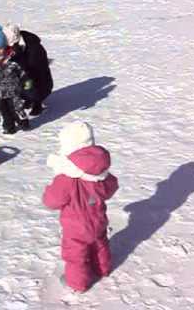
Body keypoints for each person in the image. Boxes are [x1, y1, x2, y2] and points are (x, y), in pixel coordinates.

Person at [43, 121, 119, 292]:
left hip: (75, 228)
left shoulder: (67, 178)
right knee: (100, 244)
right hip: (98, 220)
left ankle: (78, 284)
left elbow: (52, 200)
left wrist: (48, 191)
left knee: (75, 255)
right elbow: (112, 187)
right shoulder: (100, 172)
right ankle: (103, 269)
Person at [3, 24, 53, 116]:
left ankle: (37, 103)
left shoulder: (34, 48)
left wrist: (18, 57)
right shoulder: (11, 46)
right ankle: (28, 99)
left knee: (31, 84)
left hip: (39, 81)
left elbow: (38, 72)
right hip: (23, 77)